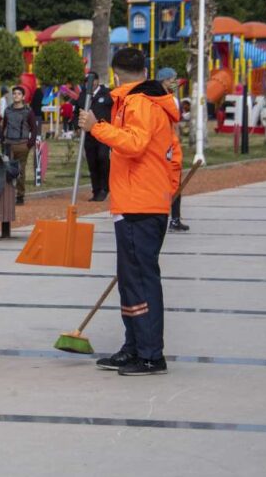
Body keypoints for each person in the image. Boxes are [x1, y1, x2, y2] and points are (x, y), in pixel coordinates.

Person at [78, 47, 182, 376]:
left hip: (141, 205)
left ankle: (150, 354)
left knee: (139, 279)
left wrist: (97, 128)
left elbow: (134, 145)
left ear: (116, 73)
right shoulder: (144, 101)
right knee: (131, 280)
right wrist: (167, 189)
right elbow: (173, 153)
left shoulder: (140, 102)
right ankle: (135, 345)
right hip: (138, 201)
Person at [157, 67, 190, 232]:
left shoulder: (171, 99)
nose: (175, 83)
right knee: (165, 183)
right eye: (172, 79)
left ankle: (174, 218)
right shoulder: (161, 98)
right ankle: (164, 217)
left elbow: (175, 124)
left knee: (174, 183)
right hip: (163, 145)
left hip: (169, 145)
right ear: (164, 80)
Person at [76, 74, 113, 202]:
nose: (89, 84)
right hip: (88, 135)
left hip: (103, 133)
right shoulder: (83, 95)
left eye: (91, 81)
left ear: (97, 81)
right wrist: (77, 126)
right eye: (86, 81)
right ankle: (96, 190)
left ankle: (105, 188)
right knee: (92, 162)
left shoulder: (107, 93)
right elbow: (77, 111)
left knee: (103, 158)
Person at [1, 86, 37, 205]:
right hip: (9, 144)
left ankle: (20, 196)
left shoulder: (28, 111)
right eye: (14, 93)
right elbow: (4, 126)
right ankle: (8, 195)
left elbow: (34, 129)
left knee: (20, 171)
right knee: (7, 171)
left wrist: (29, 144)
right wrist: (2, 140)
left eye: (18, 94)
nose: (16, 96)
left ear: (23, 96)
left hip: (22, 145)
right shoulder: (8, 110)